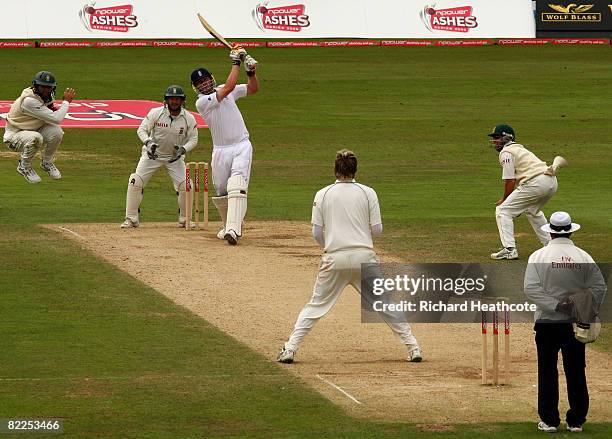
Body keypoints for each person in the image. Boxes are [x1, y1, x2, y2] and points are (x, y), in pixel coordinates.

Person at [277, 150, 422, 364]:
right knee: (385, 304)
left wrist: (331, 247)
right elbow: (378, 229)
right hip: (365, 257)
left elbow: (316, 233)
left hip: (334, 258)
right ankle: (413, 348)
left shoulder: (323, 194)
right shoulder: (368, 193)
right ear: (355, 169)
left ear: (336, 169)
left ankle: (289, 349)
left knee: (315, 306)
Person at [524, 211, 606, 433]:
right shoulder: (583, 256)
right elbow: (599, 287)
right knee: (576, 370)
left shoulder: (538, 256)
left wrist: (556, 305)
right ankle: (576, 420)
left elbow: (531, 289)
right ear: (570, 231)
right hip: (576, 323)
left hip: (547, 322)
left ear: (550, 232)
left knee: (547, 370)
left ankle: (549, 420)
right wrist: (584, 306)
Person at [192, 46, 259, 245]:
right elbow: (228, 88)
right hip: (220, 151)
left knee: (236, 186)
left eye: (205, 80)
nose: (204, 84)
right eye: (199, 83)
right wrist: (236, 62)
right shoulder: (202, 102)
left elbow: (252, 88)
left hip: (241, 145)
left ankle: (233, 229)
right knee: (221, 193)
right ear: (195, 87)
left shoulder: (224, 89)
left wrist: (251, 72)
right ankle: (228, 225)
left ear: (211, 79)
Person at [121, 85, 198, 228]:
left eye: (177, 99)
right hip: (152, 155)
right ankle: (131, 219)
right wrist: (148, 142)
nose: (174, 102)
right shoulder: (156, 113)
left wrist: (183, 149)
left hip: (174, 158)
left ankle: (185, 219)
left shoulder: (189, 118)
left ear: (182, 101)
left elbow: (193, 139)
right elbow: (142, 130)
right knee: (135, 181)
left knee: (186, 185)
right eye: (171, 99)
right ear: (166, 100)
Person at [489, 124, 567, 260]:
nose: (495, 141)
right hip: (551, 181)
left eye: (497, 138)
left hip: (536, 183)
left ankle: (509, 249)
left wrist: (505, 200)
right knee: (532, 211)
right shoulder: (519, 149)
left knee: (502, 210)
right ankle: (551, 246)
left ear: (507, 138)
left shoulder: (506, 153)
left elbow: (510, 181)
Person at [3, 71, 75, 183]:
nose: (46, 90)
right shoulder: (29, 101)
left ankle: (46, 162)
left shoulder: (47, 96)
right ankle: (24, 167)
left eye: (49, 87)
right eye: (43, 87)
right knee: (36, 138)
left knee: (56, 132)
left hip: (33, 129)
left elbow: (52, 112)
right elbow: (57, 118)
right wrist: (66, 102)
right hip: (14, 136)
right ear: (36, 86)